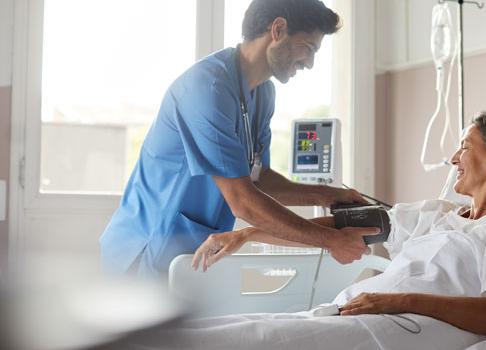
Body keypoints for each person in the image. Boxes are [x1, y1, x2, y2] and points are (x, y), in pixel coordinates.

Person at [183, 109, 486, 346]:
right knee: (205, 332)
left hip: (400, 327)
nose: (453, 158)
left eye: (465, 147)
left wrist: (396, 301)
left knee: (248, 339)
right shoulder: (437, 214)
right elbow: (343, 225)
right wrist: (247, 234)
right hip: (352, 311)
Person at [99, 0, 378, 278]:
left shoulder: (263, 94)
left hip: (191, 252)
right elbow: (243, 201)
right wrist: (332, 241)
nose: (309, 63)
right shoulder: (207, 89)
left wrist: (332, 196)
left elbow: (258, 179)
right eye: (308, 47)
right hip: (143, 251)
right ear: (278, 30)